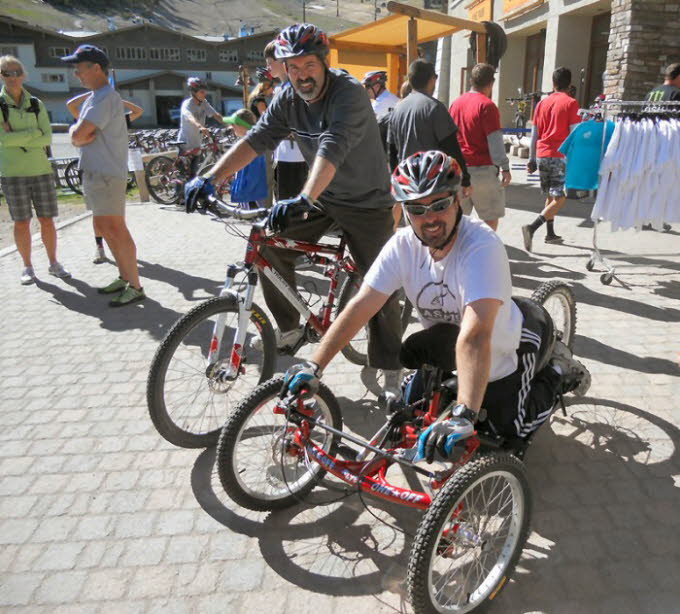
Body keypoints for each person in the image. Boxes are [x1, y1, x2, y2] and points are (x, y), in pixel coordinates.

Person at [279, 150, 590, 459]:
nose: (429, 219)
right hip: (454, 345)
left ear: (458, 200)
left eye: (439, 204)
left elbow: (476, 336)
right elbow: (362, 306)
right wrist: (314, 365)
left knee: (510, 438)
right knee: (406, 417)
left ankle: (558, 371)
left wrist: (465, 414)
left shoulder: (482, 246)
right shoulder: (403, 246)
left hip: (512, 344)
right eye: (416, 209)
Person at [185, 23, 403, 397]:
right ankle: (291, 328)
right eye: (293, 68)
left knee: (378, 286)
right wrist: (210, 177)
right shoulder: (287, 98)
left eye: (308, 66)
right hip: (322, 197)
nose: (301, 76)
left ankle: (390, 367)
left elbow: (332, 146)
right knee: (269, 245)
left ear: (324, 62)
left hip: (368, 202)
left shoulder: (347, 93)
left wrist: (303, 197)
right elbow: (256, 140)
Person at [62, 44, 145, 306]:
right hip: (98, 173)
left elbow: (78, 135)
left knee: (116, 229)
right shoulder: (95, 97)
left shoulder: (106, 96)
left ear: (96, 68)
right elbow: (79, 134)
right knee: (106, 229)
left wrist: (77, 136)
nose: (77, 74)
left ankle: (135, 285)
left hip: (107, 174)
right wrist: (78, 136)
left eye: (80, 68)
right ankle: (124, 277)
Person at [0, 55, 71, 285]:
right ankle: (27, 267)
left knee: (47, 220)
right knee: (21, 222)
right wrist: (33, 135)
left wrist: (17, 136)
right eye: (6, 73)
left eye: (16, 72)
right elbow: (2, 140)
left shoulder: (35, 104)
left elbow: (47, 137)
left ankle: (53, 263)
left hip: (40, 170)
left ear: (23, 75)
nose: (12, 77)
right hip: (13, 174)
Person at [66, 91, 143, 264]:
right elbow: (70, 105)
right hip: (92, 170)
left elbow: (138, 111)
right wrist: (93, 93)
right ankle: (100, 247)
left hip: (113, 171)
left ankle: (121, 250)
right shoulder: (87, 120)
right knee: (97, 214)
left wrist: (116, 99)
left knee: (117, 214)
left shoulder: (117, 121)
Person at [522, 67, 580, 251]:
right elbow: (574, 135)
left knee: (550, 195)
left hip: (542, 154)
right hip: (559, 155)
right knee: (560, 197)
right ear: (569, 84)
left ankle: (550, 233)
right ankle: (532, 227)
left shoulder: (541, 104)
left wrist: (531, 158)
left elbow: (534, 133)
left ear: (553, 84)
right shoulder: (571, 103)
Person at [449, 63, 511, 232]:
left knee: (457, 220)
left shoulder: (456, 104)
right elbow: (495, 142)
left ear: (471, 80)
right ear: (491, 83)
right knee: (489, 220)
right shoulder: (487, 106)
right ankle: (485, 253)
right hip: (482, 170)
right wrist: (505, 168)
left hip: (459, 170)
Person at [264, 40, 308, 200]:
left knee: (289, 204)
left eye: (270, 62)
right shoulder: (282, 88)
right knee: (282, 200)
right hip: (283, 154)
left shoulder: (292, 89)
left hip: (294, 155)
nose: (268, 66)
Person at [223, 109, 268, 209]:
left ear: (242, 126)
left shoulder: (252, 144)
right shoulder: (248, 141)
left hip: (253, 197)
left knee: (256, 221)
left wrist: (242, 192)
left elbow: (254, 174)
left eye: (234, 124)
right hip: (249, 195)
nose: (231, 127)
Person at [178, 77, 223, 177]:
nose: (205, 94)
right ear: (194, 92)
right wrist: (200, 126)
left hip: (197, 143)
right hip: (185, 143)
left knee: (194, 173)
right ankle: (178, 192)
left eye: (205, 91)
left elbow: (216, 115)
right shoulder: (187, 104)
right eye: (202, 92)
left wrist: (229, 123)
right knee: (184, 175)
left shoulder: (204, 103)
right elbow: (189, 117)